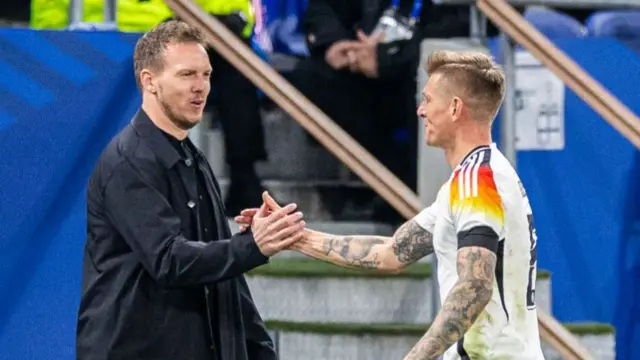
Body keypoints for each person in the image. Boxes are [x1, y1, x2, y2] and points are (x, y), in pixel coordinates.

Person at [237, 50, 545, 359]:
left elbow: (475, 287)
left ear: (454, 108)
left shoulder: (476, 182)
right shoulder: (481, 176)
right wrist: (297, 237)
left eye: (428, 100)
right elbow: (393, 252)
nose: (420, 111)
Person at [76, 20, 306, 360]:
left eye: (206, 75)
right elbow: (169, 260)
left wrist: (260, 351)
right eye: (187, 75)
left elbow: (223, 278)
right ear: (149, 81)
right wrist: (252, 245)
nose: (201, 87)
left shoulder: (192, 159)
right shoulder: (128, 162)